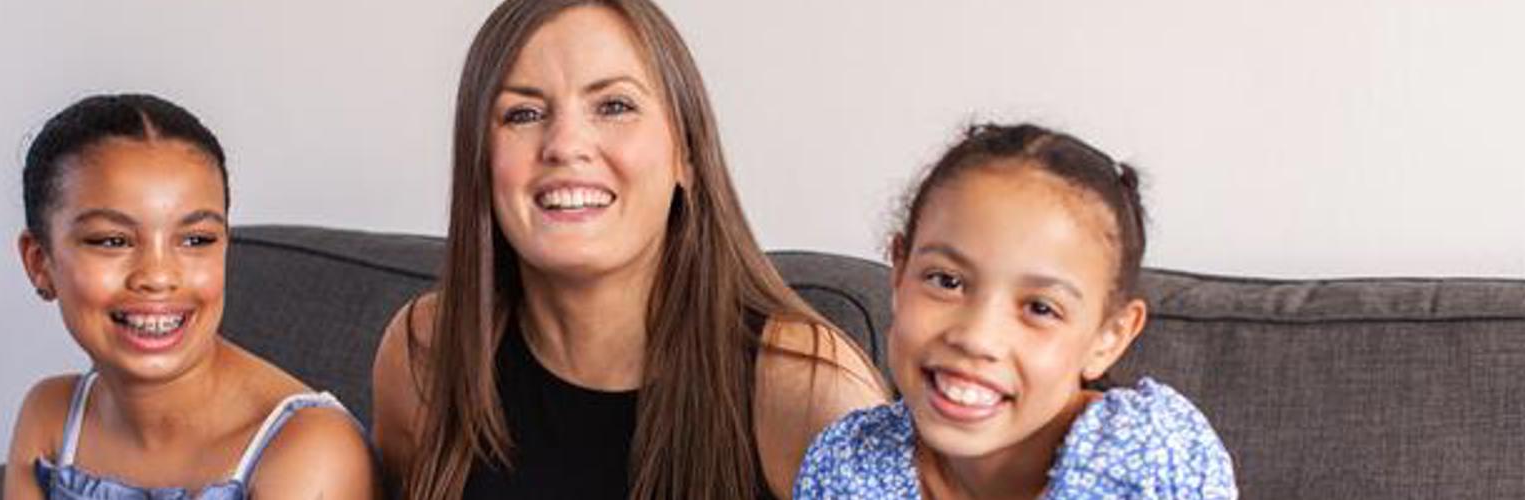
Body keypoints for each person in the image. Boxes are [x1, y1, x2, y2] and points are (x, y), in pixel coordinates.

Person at [369, 2, 889, 499]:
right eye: (523, 113)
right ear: (478, 160)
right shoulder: (426, 355)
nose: (566, 144)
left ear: (686, 154)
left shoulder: (802, 383)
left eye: (614, 106)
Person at [793, 123, 1237, 499]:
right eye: (947, 281)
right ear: (900, 272)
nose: (977, 336)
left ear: (1109, 337)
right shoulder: (845, 464)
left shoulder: (1154, 464)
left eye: (1040, 308)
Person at [3, 93, 375, 500]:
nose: (158, 276)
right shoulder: (50, 418)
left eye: (196, 240)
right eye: (112, 240)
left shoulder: (310, 451)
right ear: (39, 262)